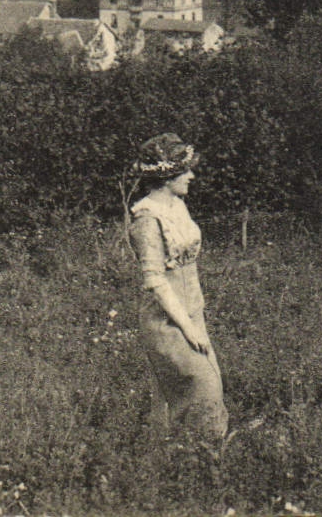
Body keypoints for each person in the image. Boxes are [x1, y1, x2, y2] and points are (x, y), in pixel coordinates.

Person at [127, 132, 228, 441]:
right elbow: (155, 280)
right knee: (202, 387)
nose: (192, 176)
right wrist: (188, 327)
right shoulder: (147, 218)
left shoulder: (177, 206)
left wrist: (195, 320)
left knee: (199, 391)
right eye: (185, 171)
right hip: (168, 321)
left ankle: (188, 461)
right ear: (168, 176)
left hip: (192, 313)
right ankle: (199, 458)